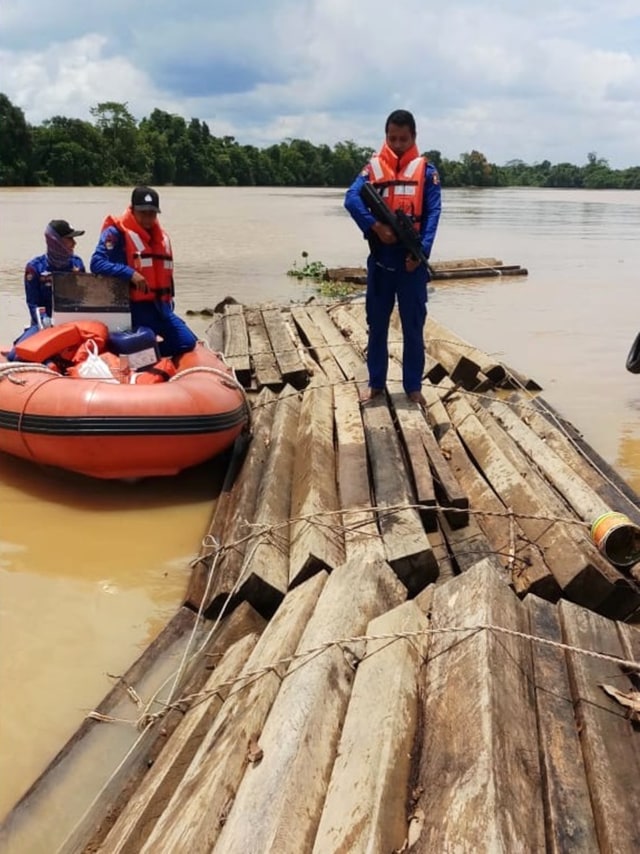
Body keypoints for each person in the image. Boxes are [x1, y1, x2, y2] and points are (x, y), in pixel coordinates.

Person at [344, 109, 442, 405]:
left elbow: (433, 213)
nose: (397, 144)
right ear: (386, 136)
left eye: (403, 138)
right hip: (382, 259)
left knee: (413, 326)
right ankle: (375, 384)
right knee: (377, 324)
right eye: (392, 138)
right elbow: (351, 198)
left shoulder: (427, 172)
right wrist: (376, 226)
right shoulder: (371, 169)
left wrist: (421, 251)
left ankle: (413, 387)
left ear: (414, 137)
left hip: (411, 262)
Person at [90, 186, 197, 357]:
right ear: (132, 210)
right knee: (142, 341)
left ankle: (146, 355)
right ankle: (133, 356)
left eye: (152, 213)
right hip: (133, 309)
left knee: (187, 342)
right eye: (143, 213)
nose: (148, 218)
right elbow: (97, 263)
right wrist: (130, 273)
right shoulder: (116, 233)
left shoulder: (160, 238)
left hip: (160, 308)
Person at [6, 219, 86, 360]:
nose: (74, 243)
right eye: (70, 239)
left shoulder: (77, 265)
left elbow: (85, 297)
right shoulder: (35, 268)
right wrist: (46, 322)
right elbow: (33, 303)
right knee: (15, 356)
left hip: (73, 323)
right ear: (56, 241)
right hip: (45, 325)